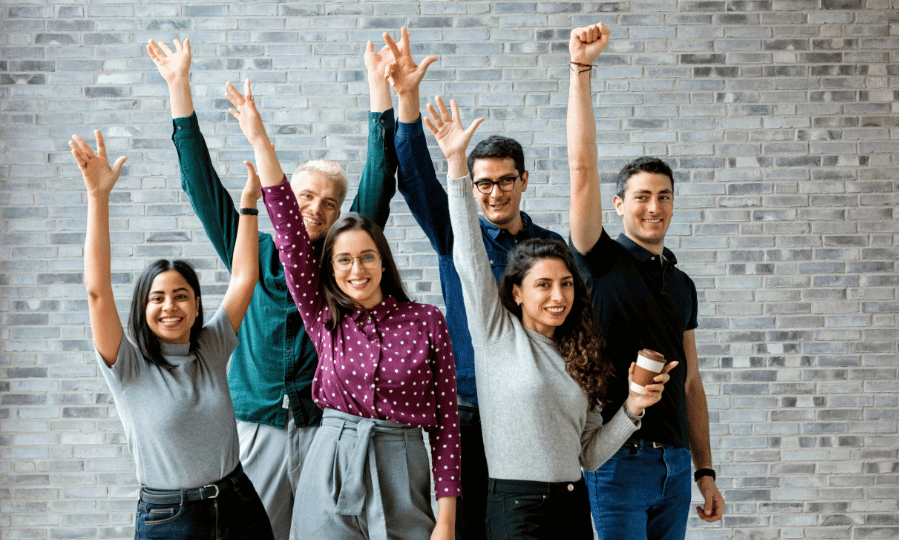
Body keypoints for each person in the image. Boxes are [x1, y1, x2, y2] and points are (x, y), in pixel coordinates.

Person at [147, 38, 399, 539]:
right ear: (282, 195)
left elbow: (378, 179)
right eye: (306, 195)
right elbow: (201, 186)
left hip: (322, 425)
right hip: (255, 424)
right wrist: (179, 88)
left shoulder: (342, 265)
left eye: (330, 204)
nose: (316, 209)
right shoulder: (252, 251)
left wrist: (379, 92)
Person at [425, 94, 674, 539]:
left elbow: (591, 455)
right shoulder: (496, 335)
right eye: (543, 285)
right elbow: (466, 250)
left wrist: (635, 406)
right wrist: (457, 165)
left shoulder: (582, 355)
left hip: (574, 505)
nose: (558, 295)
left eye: (566, 283)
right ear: (516, 293)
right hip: (517, 508)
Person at [225, 77, 460, 540]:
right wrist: (259, 139)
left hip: (403, 466)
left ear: (383, 260)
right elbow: (290, 232)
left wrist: (446, 518)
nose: (357, 269)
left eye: (367, 256)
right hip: (329, 461)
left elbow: (448, 424)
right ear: (329, 271)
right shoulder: (323, 316)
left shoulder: (426, 320)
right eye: (344, 260)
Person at [381, 28, 564, 539]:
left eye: (506, 180)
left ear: (523, 180)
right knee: (461, 529)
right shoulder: (453, 234)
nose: (495, 192)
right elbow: (415, 176)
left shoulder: (550, 248)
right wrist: (408, 100)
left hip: (532, 404)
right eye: (483, 182)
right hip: (467, 407)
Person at [566, 23, 725, 540]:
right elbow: (583, 167)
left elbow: (692, 382)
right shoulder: (600, 258)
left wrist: (704, 471)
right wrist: (581, 70)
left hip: (676, 467)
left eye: (664, 196)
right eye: (641, 196)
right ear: (619, 205)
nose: (654, 207)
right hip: (618, 462)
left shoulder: (681, 284)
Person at [73, 129, 273, 540]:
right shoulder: (127, 365)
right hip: (172, 519)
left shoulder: (210, 347)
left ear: (197, 305)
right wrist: (98, 198)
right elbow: (97, 292)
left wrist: (249, 206)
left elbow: (244, 279)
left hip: (239, 502)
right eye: (157, 298)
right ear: (142, 309)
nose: (170, 307)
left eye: (181, 296)